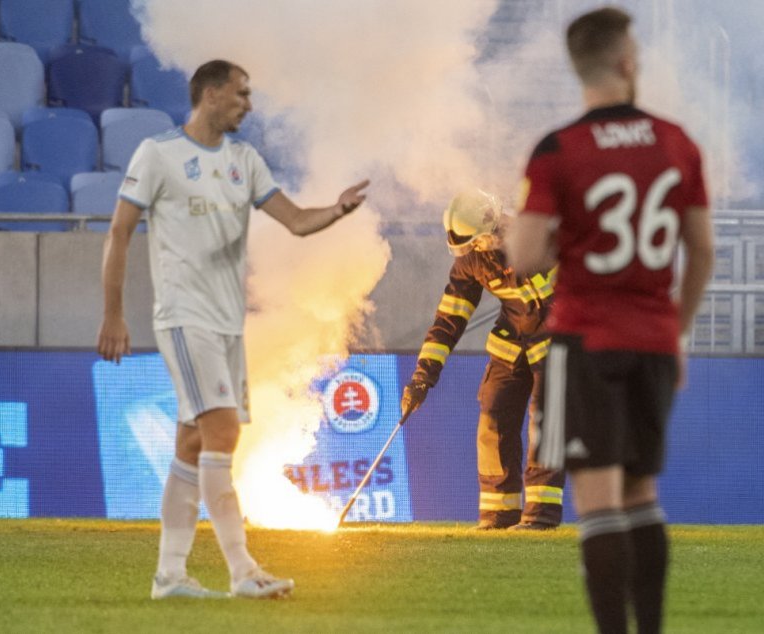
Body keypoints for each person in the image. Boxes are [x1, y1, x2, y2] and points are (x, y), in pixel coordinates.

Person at [97, 59, 368, 600]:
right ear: (213, 94)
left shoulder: (245, 160)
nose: (249, 103)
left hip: (226, 323)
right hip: (183, 316)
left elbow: (295, 220)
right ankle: (243, 571)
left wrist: (336, 211)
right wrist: (113, 314)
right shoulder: (159, 155)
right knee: (224, 432)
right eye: (242, 94)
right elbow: (120, 233)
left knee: (193, 444)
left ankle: (169, 577)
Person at [507, 7, 715, 634]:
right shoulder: (678, 141)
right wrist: (676, 333)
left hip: (585, 340)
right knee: (641, 495)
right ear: (626, 62)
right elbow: (701, 248)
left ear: (579, 68)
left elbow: (524, 257)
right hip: (653, 339)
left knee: (596, 502)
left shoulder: (556, 150)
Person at [401, 189, 565, 530]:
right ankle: (497, 515)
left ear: (494, 226)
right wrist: (422, 378)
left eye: (477, 242)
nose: (473, 250)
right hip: (512, 344)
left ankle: (539, 516)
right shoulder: (471, 262)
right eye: (467, 246)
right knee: (492, 419)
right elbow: (449, 320)